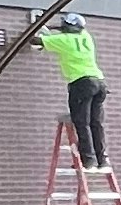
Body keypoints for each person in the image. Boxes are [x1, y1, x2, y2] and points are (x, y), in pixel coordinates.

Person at [43, 9, 108, 170]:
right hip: (99, 82)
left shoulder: (64, 40)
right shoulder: (86, 37)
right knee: (96, 123)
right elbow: (69, 30)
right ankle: (101, 159)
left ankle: (88, 160)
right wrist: (55, 28)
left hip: (81, 83)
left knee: (82, 122)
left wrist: (41, 29)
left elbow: (36, 40)